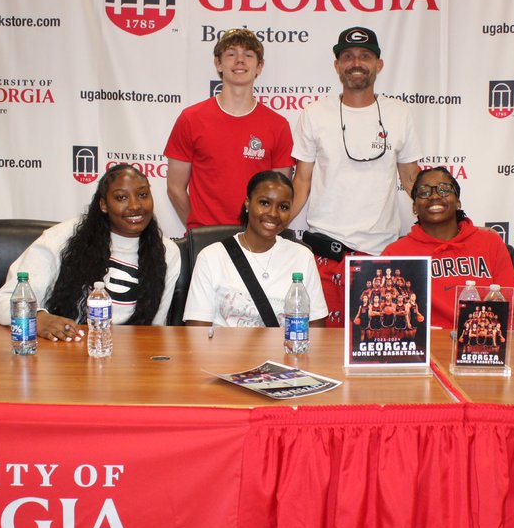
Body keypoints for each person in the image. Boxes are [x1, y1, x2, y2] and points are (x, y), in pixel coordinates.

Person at [290, 26, 421, 326]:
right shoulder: (314, 113)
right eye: (347, 56)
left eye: (365, 56)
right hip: (325, 254)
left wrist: (450, 227)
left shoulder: (400, 113)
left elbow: (412, 180)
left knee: (378, 339)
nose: (356, 63)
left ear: (379, 64)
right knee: (321, 346)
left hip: (382, 255)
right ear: (337, 66)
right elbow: (301, 182)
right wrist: (273, 229)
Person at [0, 164, 181, 340]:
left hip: (131, 360)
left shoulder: (167, 253)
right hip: (64, 351)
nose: (135, 206)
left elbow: (156, 328)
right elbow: (3, 303)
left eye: (142, 195)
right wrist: (38, 319)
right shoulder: (61, 238)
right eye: (121, 197)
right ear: (103, 205)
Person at [164, 28, 294, 230]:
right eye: (231, 54)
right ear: (218, 63)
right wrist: (198, 226)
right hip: (205, 237)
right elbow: (174, 188)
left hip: (256, 238)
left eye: (248, 55)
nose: (240, 61)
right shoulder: (191, 119)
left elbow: (282, 193)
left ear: (259, 66)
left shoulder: (278, 125)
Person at [382, 167, 514, 331]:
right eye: (424, 192)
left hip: (481, 347)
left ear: (458, 202)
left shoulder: (490, 243)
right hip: (424, 349)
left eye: (444, 189)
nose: (435, 196)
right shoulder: (395, 253)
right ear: (414, 207)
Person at [184, 170, 327, 328]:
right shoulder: (211, 257)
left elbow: (316, 328)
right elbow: (196, 331)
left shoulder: (302, 257)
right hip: (223, 352)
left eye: (283, 207)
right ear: (247, 203)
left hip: (283, 351)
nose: (273, 213)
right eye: (264, 203)